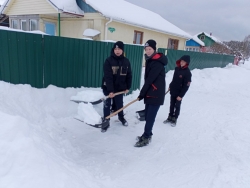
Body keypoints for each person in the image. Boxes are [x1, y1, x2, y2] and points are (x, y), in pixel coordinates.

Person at [135, 39, 168, 147]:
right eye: (146, 49)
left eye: (150, 49)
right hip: (151, 92)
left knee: (150, 118)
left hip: (155, 94)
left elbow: (150, 80)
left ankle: (146, 137)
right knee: (148, 117)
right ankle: (147, 134)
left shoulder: (156, 63)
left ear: (154, 49)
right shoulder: (151, 60)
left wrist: (142, 93)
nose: (148, 51)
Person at [101, 41, 132, 132]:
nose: (117, 51)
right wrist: (110, 91)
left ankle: (121, 117)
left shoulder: (126, 61)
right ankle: (106, 120)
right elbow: (108, 77)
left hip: (120, 88)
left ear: (122, 50)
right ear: (113, 50)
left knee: (119, 104)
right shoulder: (108, 61)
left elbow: (129, 75)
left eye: (119, 49)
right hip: (108, 87)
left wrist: (127, 87)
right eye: (115, 49)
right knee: (107, 104)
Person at [163, 55, 192, 126]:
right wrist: (170, 86)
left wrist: (181, 95)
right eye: (181, 61)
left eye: (184, 62)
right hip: (173, 90)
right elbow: (174, 80)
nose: (182, 63)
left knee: (177, 106)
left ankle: (174, 119)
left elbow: (186, 86)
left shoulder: (188, 73)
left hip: (179, 93)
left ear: (187, 63)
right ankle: (170, 117)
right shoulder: (177, 69)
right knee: (172, 105)